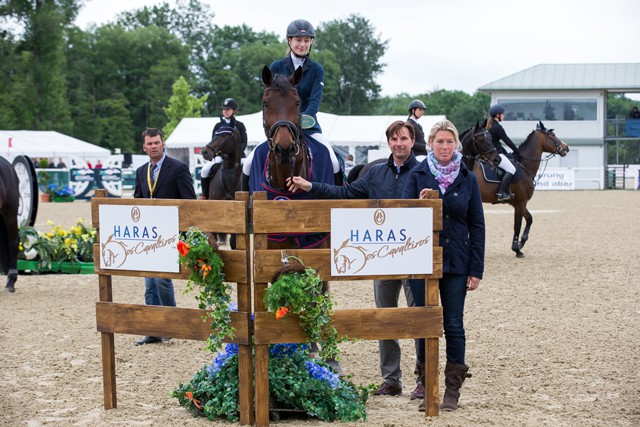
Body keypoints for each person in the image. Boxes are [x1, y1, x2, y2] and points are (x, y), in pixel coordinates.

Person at [287, 121, 422, 399]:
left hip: (415, 258)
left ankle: (423, 378)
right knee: (384, 317)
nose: (399, 143)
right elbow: (345, 193)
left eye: (404, 139)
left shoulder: (424, 172)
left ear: (412, 141)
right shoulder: (376, 175)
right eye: (394, 139)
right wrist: (311, 185)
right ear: (389, 143)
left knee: (418, 319)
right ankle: (392, 378)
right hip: (383, 258)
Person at [402, 119, 485, 412]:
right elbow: (404, 218)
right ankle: (426, 382)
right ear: (431, 145)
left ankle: (452, 388)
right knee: (425, 322)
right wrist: (419, 203)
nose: (445, 147)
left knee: (453, 324)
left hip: (457, 261)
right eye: (440, 142)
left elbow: (477, 225)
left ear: (456, 145)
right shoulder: (417, 173)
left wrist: (476, 269)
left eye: (450, 142)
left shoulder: (468, 177)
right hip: (421, 261)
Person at [242, 18, 341, 184]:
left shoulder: (317, 69)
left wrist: (301, 120)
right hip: (279, 128)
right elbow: (271, 101)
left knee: (333, 160)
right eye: (298, 40)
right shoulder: (276, 66)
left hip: (309, 125)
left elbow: (314, 101)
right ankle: (244, 205)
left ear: (311, 42)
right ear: (289, 41)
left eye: (306, 40)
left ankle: (339, 199)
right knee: (249, 162)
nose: (302, 44)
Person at [133, 128, 197, 345]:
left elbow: (189, 202)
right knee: (149, 283)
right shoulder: (141, 171)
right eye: (149, 143)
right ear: (144, 147)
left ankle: (172, 323)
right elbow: (137, 202)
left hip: (170, 235)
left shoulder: (178, 168)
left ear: (163, 144)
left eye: (156, 143)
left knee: (162, 280)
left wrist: (186, 236)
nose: (153, 146)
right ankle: (153, 329)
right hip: (148, 236)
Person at [200, 98, 248, 199]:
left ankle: (251, 192)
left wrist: (237, 153)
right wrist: (220, 154)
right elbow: (213, 141)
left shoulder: (240, 125)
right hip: (221, 156)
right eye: (224, 109)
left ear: (234, 110)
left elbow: (244, 142)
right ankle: (205, 195)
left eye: (228, 109)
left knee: (248, 168)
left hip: (238, 157)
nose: (225, 111)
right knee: (205, 170)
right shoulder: (218, 125)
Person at [487, 104, 520, 201]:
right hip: (496, 154)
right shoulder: (497, 127)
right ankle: (501, 192)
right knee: (511, 169)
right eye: (502, 114)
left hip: (492, 153)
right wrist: (517, 152)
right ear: (497, 115)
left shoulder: (489, 125)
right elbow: (507, 141)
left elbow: (496, 142)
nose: (504, 116)